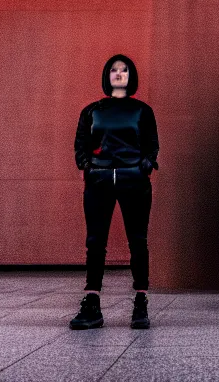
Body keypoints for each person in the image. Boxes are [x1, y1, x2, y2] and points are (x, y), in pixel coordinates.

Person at [70, 54, 159, 330]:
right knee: (95, 241)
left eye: (123, 70)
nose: (118, 74)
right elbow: (81, 143)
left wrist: (143, 166)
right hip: (99, 179)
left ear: (131, 75)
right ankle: (91, 302)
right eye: (113, 70)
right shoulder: (92, 111)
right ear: (107, 76)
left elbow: (152, 145)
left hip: (134, 179)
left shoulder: (142, 111)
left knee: (138, 241)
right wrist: (87, 166)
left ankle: (140, 303)